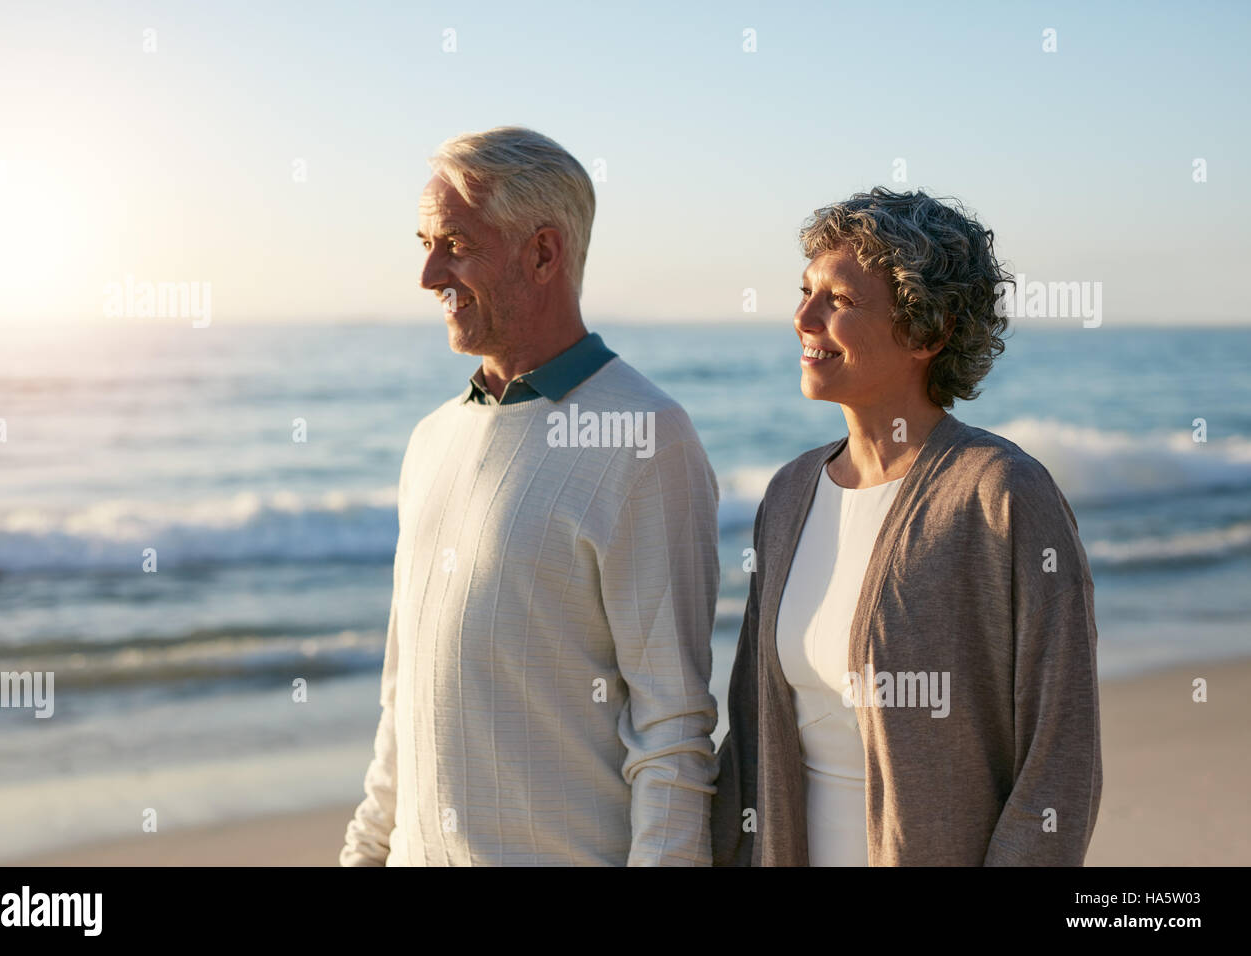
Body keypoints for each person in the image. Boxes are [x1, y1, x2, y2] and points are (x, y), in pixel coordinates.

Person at [341, 126, 720, 866]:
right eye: (424, 241)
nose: (428, 273)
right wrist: (362, 854)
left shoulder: (649, 438)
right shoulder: (431, 440)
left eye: (455, 242)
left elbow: (672, 732)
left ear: (543, 252)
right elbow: (404, 701)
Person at [711, 187, 1102, 866]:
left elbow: (1060, 758)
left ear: (929, 331)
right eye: (805, 292)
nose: (804, 317)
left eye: (839, 301)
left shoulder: (999, 493)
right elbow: (748, 735)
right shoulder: (788, 495)